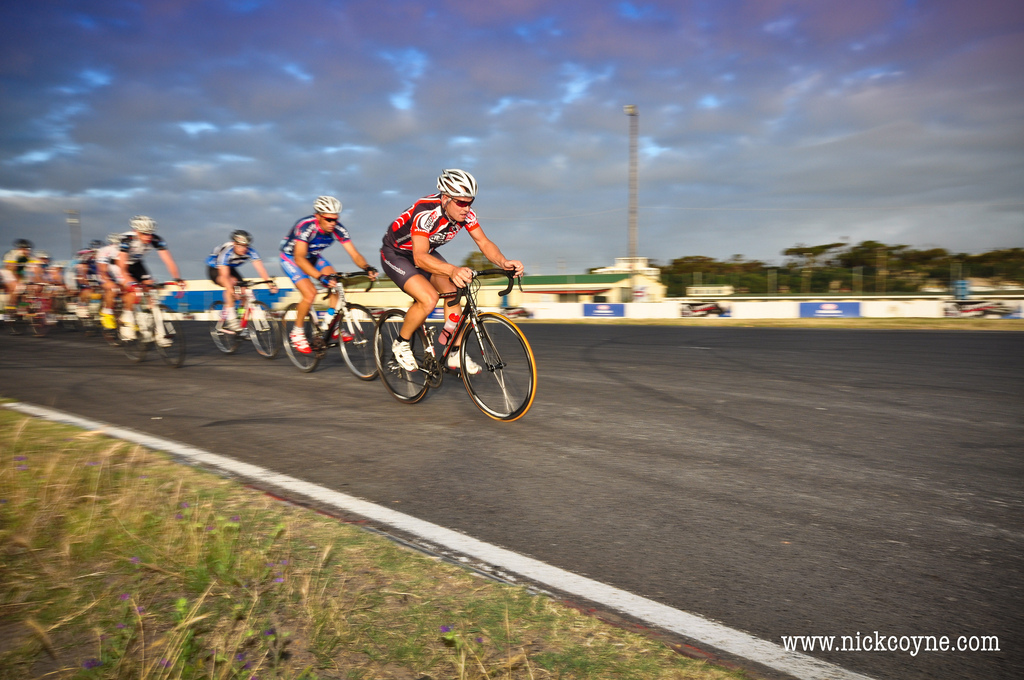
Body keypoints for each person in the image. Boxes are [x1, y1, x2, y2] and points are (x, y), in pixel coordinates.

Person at [380, 169, 523, 374]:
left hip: (425, 252)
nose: (467, 208)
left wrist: (504, 261)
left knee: (455, 291)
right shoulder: (425, 212)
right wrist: (453, 269)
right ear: (446, 198)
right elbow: (419, 258)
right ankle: (401, 343)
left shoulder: (466, 215)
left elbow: (483, 242)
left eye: (470, 202)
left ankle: (454, 351)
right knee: (428, 299)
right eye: (461, 202)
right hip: (397, 254)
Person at [279, 196, 378, 354]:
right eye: (329, 220)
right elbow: (299, 258)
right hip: (292, 258)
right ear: (318, 216)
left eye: (335, 219)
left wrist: (367, 267)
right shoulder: (305, 226)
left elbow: (354, 253)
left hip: (313, 256)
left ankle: (331, 323)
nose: (333, 223)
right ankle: (296, 332)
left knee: (337, 283)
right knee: (310, 293)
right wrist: (320, 277)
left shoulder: (338, 228)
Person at [115, 216, 185, 342]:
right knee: (133, 291)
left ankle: (159, 333)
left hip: (136, 264)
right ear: (136, 231)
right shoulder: (127, 239)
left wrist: (178, 278)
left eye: (150, 234)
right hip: (118, 264)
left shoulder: (157, 240)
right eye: (144, 234)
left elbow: (169, 261)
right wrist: (131, 283)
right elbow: (122, 268)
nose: (148, 237)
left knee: (151, 291)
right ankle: (127, 319)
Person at [206, 229, 278, 332]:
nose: (243, 249)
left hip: (230, 267)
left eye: (246, 246)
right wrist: (231, 290)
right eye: (240, 246)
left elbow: (260, 268)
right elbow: (225, 276)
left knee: (244, 290)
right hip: (216, 269)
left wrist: (269, 283)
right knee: (232, 283)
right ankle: (231, 320)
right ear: (234, 244)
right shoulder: (226, 252)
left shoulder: (251, 251)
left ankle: (240, 320)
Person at [2, 239, 35, 321]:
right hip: (8, 272)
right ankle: (10, 308)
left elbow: (35, 269)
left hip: (21, 273)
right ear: (18, 249)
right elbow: (10, 268)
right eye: (23, 249)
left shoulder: (29, 257)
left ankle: (23, 307)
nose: (26, 251)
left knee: (30, 288)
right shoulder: (12, 254)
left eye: (27, 249)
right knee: (17, 288)